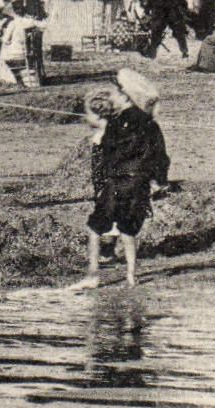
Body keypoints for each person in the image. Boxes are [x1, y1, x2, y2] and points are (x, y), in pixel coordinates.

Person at [67, 70, 170, 290]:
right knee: (128, 230)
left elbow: (106, 154)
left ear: (124, 97)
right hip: (140, 183)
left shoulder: (115, 123)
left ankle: (93, 274)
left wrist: (102, 178)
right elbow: (160, 155)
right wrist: (159, 180)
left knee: (95, 228)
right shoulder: (150, 124)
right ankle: (132, 277)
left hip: (118, 181)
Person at [0, 0, 45, 87]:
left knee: (2, 54)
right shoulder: (31, 22)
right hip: (30, 55)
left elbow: (5, 40)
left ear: (14, 12)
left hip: (16, 56)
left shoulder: (13, 23)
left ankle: (14, 81)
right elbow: (41, 27)